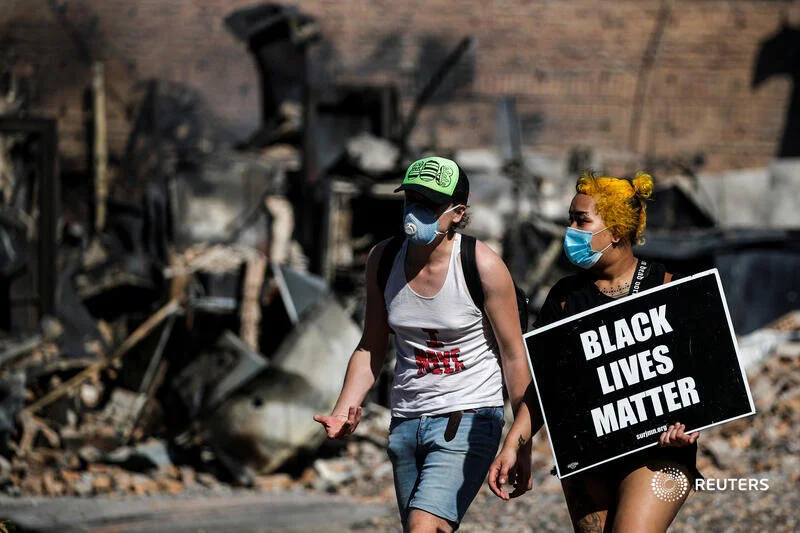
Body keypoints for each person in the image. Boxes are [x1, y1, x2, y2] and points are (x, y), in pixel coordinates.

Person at [314, 156, 532, 532]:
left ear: (457, 212)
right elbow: (371, 346)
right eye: (410, 199)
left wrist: (520, 443)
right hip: (406, 423)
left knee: (424, 528)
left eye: (429, 204)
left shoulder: (481, 266)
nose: (415, 211)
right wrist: (343, 409)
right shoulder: (383, 261)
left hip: (468, 418)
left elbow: (515, 357)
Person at [488, 171, 702, 533]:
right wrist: (515, 444)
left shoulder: (668, 288)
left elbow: (700, 377)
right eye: (571, 217)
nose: (570, 228)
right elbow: (546, 389)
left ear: (616, 230)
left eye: (581, 219)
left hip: (658, 455)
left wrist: (693, 425)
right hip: (588, 457)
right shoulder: (564, 298)